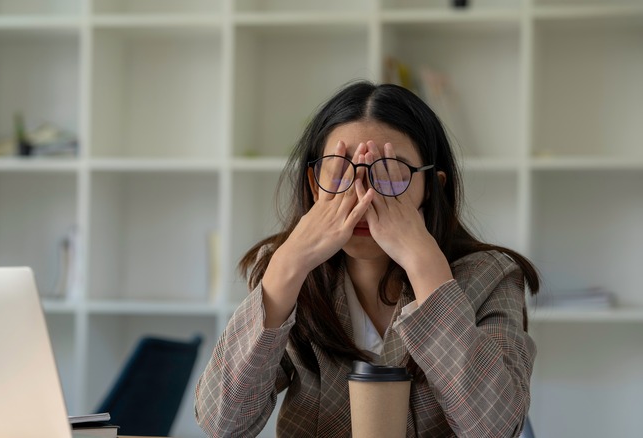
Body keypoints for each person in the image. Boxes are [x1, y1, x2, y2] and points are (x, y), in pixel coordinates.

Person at [195, 81, 539, 437]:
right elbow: (222, 423)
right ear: (315, 185)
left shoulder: (491, 276)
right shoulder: (289, 274)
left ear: (432, 188)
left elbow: (497, 429)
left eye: (389, 172)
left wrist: (425, 267)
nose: (362, 194)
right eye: (341, 171)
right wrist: (287, 266)